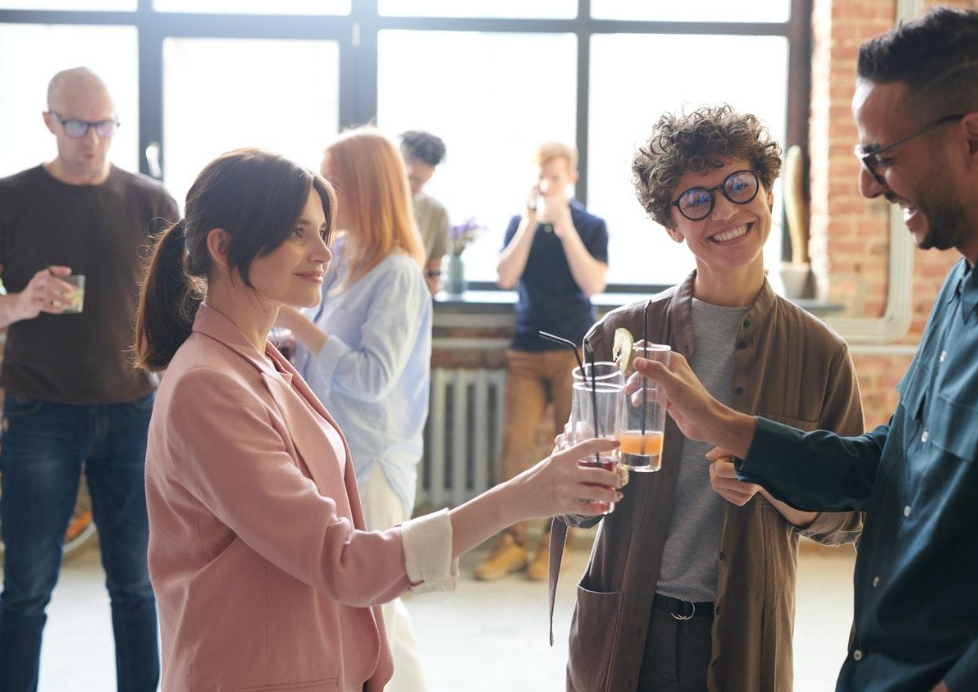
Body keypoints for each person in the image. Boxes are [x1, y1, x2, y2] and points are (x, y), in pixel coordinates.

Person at [632, 8, 978, 692]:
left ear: (973, 140)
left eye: (881, 158)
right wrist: (719, 424)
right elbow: (887, 465)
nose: (866, 186)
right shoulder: (963, 282)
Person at [135, 146, 623, 691]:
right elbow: (343, 561)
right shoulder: (208, 384)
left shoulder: (265, 354)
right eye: (299, 233)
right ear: (223, 247)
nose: (323, 250)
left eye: (323, 230)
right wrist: (523, 495)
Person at [553, 105, 866, 692]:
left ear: (768, 192)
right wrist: (572, 469)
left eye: (738, 186)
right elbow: (570, 508)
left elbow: (848, 518)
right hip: (623, 624)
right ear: (672, 225)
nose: (723, 211)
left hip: (744, 634)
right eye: (696, 200)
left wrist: (773, 478)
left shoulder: (822, 354)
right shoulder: (616, 334)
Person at [0, 67, 177, 692]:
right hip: (38, 413)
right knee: (25, 587)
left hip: (133, 411)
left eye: (104, 124)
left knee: (137, 584)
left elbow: (179, 304)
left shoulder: (153, 202)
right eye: (77, 125)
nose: (92, 139)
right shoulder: (10, 197)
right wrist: (18, 303)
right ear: (49, 121)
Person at [276, 127, 431, 692]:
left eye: (332, 180)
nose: (320, 192)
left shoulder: (398, 274)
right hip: (336, 447)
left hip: (375, 459)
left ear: (361, 187)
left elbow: (371, 377)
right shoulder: (341, 256)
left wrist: (297, 326)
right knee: (378, 610)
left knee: (377, 607)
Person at [477, 141, 609, 582]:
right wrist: (531, 224)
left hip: (575, 352)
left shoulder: (591, 225)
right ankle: (511, 542)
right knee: (515, 447)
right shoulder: (521, 223)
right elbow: (504, 277)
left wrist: (565, 224)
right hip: (526, 350)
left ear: (571, 177)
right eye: (542, 176)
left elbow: (593, 285)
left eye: (555, 176)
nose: (547, 184)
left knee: (571, 449)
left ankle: (556, 545)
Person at [399, 130, 449, 293]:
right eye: (412, 179)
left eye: (424, 181)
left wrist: (432, 282)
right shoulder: (372, 203)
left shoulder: (436, 211)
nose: (418, 188)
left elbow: (434, 271)